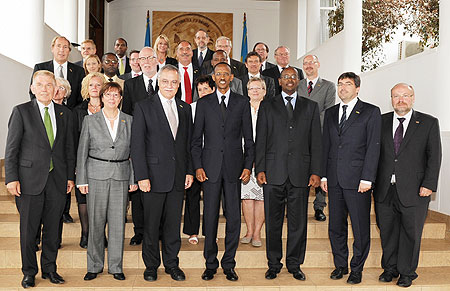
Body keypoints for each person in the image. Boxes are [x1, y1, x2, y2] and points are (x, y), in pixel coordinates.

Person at [5, 70, 75, 288]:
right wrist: (11, 178)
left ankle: (50, 269)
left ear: (56, 88)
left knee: (53, 230)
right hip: (28, 181)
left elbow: (69, 149)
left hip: (57, 180)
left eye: (49, 84)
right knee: (29, 230)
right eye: (40, 85)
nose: (45, 88)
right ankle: (29, 272)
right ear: (32, 88)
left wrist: (70, 177)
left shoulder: (66, 114)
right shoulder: (21, 111)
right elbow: (12, 149)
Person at [255, 67, 322, 281]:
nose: (290, 80)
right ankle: (273, 264)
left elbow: (316, 142)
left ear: (299, 80)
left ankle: (294, 264)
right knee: (273, 222)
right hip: (273, 173)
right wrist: (261, 168)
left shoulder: (311, 107)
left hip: (301, 174)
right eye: (286, 77)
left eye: (294, 76)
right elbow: (261, 140)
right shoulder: (267, 105)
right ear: (279, 81)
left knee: (298, 222)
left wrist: (316, 172)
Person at [374, 83, 442, 288]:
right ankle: (390, 268)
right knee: (387, 230)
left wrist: (429, 184)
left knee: (411, 233)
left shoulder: (428, 122)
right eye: (396, 96)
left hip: (415, 189)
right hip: (384, 189)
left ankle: (407, 272)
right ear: (391, 99)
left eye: (405, 96)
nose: (400, 100)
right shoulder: (381, 121)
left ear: (413, 98)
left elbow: (434, 156)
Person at [192, 62, 254, 282]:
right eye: (218, 74)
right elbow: (195, 139)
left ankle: (229, 263)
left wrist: (248, 166)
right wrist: (198, 166)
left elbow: (249, 139)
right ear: (213, 76)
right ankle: (210, 263)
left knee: (234, 219)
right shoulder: (204, 103)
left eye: (225, 74)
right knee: (209, 217)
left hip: (235, 170)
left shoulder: (242, 102)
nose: (221, 77)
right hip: (208, 169)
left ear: (231, 77)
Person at [130, 64, 194, 282]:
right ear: (158, 82)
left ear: (179, 84)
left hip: (177, 177)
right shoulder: (143, 107)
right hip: (152, 177)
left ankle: (172, 264)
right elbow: (137, 145)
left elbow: (188, 144)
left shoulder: (185, 109)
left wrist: (189, 171)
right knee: (151, 224)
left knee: (173, 224)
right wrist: (141, 176)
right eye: (165, 81)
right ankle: (151, 266)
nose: (170, 85)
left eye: (174, 82)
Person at [321, 72, 381, 285]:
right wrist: (324, 175)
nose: (343, 88)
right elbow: (326, 146)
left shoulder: (370, 112)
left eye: (347, 84)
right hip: (334, 180)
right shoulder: (330, 113)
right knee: (336, 226)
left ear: (357, 88)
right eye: (340, 84)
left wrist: (368, 178)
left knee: (359, 227)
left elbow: (374, 147)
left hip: (358, 182)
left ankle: (357, 268)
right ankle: (340, 265)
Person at [77, 82, 137, 281]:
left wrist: (133, 178)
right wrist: (81, 180)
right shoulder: (90, 120)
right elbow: (82, 152)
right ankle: (94, 266)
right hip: (96, 175)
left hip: (121, 175)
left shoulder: (129, 120)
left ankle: (115, 266)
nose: (112, 98)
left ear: (121, 98)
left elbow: (134, 153)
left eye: (116, 95)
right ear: (101, 97)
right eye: (108, 94)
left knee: (118, 223)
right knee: (95, 222)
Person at [298, 55, 336, 222]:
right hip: (299, 137)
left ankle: (319, 207)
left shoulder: (328, 86)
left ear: (318, 64)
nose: (308, 66)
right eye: (305, 63)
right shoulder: (297, 85)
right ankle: (298, 206)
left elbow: (328, 111)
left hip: (319, 135)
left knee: (319, 170)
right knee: (301, 170)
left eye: (311, 63)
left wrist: (308, 122)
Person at [73, 72, 105, 248]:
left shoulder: (111, 108)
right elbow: (73, 139)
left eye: (98, 85)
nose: (94, 88)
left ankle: (100, 235)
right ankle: (85, 234)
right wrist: (76, 165)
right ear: (86, 88)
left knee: (101, 200)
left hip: (103, 162)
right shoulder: (77, 111)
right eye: (91, 85)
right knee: (83, 199)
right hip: (83, 161)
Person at [183, 75, 215, 245]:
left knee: (211, 195)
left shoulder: (219, 107)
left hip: (213, 157)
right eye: (200, 90)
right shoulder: (190, 108)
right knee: (193, 194)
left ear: (213, 90)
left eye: (206, 89)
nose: (202, 93)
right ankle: (192, 231)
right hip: (194, 156)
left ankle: (210, 231)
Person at [240, 77, 266, 248]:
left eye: (258, 88)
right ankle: (249, 231)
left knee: (261, 198)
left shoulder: (271, 108)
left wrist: (260, 159)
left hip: (266, 160)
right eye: (251, 88)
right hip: (244, 159)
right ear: (247, 91)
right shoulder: (241, 108)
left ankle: (257, 233)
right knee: (247, 197)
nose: (255, 91)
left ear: (264, 91)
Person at [30, 36, 85, 109]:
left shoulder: (79, 71)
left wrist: (72, 114)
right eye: (58, 46)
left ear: (69, 51)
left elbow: (82, 96)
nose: (62, 50)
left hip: (70, 115)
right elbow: (33, 92)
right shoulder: (40, 68)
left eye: (65, 47)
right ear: (52, 48)